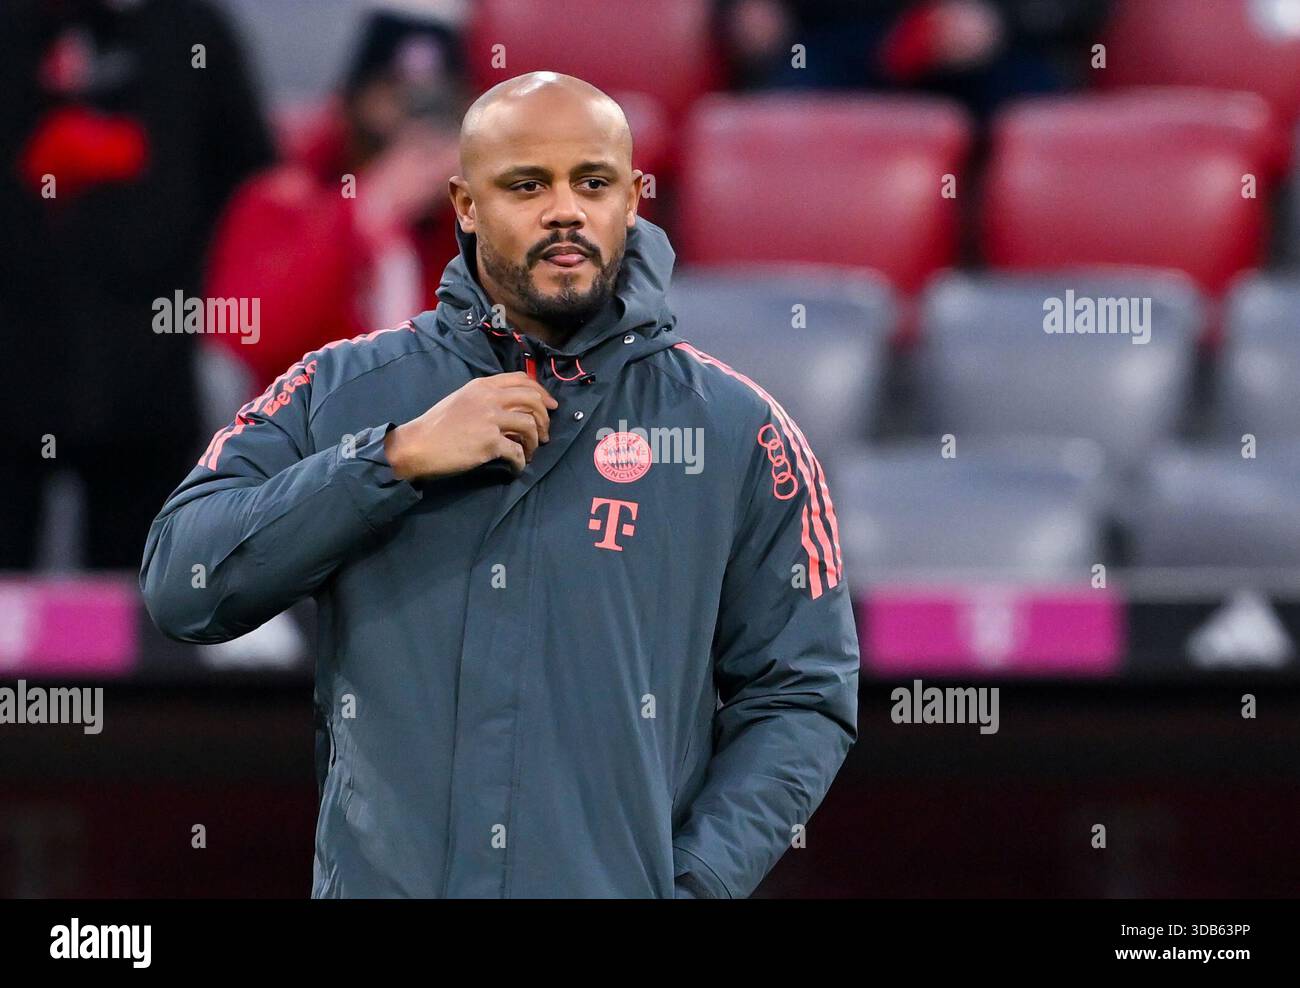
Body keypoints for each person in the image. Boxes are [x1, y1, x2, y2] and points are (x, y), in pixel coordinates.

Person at [140, 71, 859, 899]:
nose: (565, 210)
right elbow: (181, 583)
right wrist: (391, 460)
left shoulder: (741, 432)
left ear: (634, 199)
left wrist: (694, 882)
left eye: (592, 182)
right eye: (526, 184)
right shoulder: (343, 391)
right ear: (465, 203)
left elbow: (803, 694)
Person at [0, 0, 273, 568]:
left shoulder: (194, 33)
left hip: (150, 367)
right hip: (17, 356)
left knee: (139, 597)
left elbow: (252, 176)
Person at [203, 6, 468, 389]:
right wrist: (362, 214)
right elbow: (247, 334)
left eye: (440, 105)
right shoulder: (283, 201)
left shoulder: (465, 225)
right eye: (395, 97)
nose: (416, 127)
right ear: (354, 101)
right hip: (309, 440)